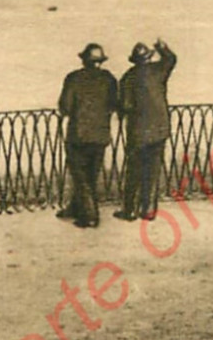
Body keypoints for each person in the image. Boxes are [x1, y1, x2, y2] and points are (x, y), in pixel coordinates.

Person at [57, 43, 119, 228]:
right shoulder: (109, 79)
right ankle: (76, 208)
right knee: (91, 175)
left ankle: (90, 216)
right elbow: (114, 104)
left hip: (78, 135)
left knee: (81, 177)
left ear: (84, 60)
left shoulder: (74, 78)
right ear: (100, 61)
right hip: (100, 135)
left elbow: (65, 107)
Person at [117, 39, 177, 222]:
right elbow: (171, 59)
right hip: (159, 129)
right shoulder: (158, 71)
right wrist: (162, 47)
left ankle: (130, 210)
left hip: (138, 131)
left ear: (134, 60)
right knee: (152, 171)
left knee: (134, 171)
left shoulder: (127, 78)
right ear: (149, 58)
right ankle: (149, 210)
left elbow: (125, 105)